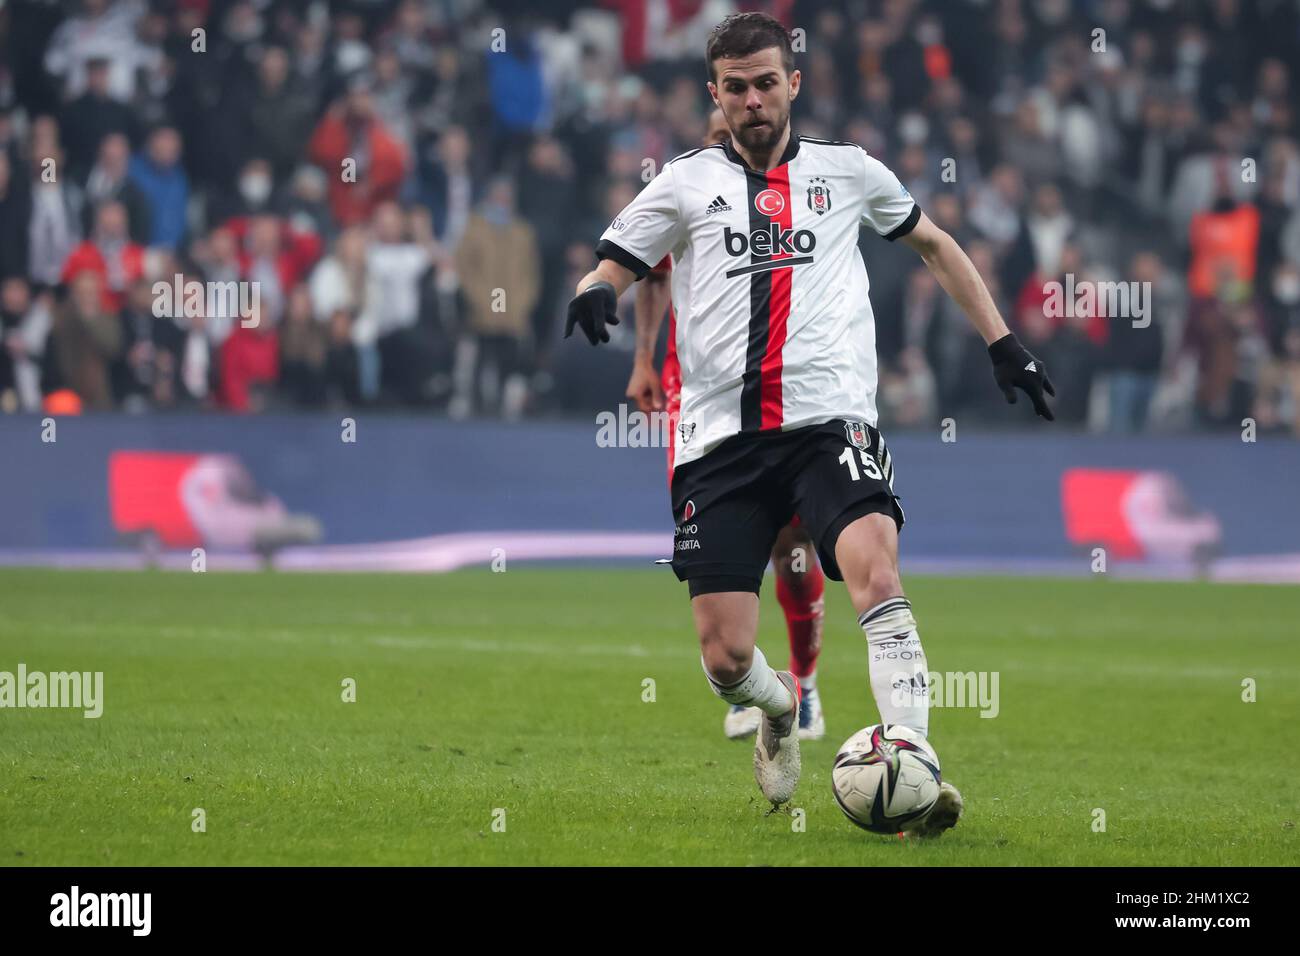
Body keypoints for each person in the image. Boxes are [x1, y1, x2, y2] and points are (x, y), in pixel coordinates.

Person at [566, 13, 1055, 833]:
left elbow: (934, 243)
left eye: (766, 82)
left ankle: (914, 765)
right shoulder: (684, 181)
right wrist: (594, 287)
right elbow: (622, 257)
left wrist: (1004, 343)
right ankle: (781, 703)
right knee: (725, 661)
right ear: (714, 96)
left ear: (793, 84)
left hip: (830, 424)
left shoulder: (848, 172)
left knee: (878, 576)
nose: (753, 100)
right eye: (736, 87)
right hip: (718, 441)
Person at [624, 106, 827, 742]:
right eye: (716, 134)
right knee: (727, 545)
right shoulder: (687, 195)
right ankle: (757, 686)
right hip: (698, 409)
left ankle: (806, 682)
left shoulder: (789, 204)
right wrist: (644, 360)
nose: (729, 142)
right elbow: (651, 275)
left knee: (791, 543)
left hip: (779, 399)